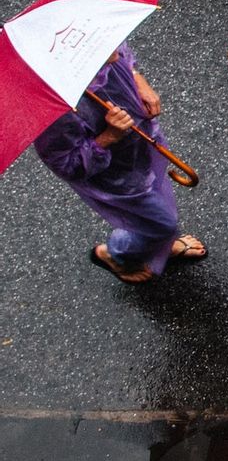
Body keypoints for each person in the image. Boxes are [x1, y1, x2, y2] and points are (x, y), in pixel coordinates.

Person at [33, 42, 206, 283]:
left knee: (158, 206)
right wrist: (109, 137)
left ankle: (158, 244)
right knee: (162, 223)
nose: (115, 56)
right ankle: (116, 253)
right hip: (119, 176)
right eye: (102, 52)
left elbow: (121, 52)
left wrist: (137, 79)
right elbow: (68, 166)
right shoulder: (55, 112)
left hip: (140, 150)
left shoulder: (89, 43)